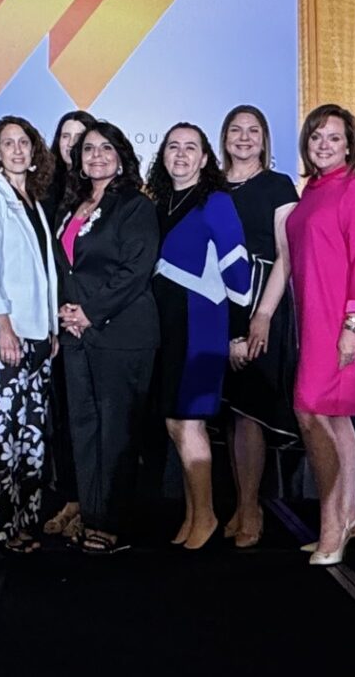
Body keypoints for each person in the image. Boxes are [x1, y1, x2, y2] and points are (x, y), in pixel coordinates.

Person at [56, 120, 159, 554]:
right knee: (84, 428)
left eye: (105, 148)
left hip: (121, 332)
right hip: (77, 334)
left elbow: (135, 269)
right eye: (87, 150)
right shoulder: (74, 204)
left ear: (121, 156)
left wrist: (90, 312)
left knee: (116, 431)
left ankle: (111, 522)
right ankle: (92, 513)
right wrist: (66, 312)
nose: (96, 156)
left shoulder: (135, 205)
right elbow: (68, 267)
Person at [148, 123, 250, 551]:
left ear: (206, 158)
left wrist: (239, 333)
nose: (182, 155)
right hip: (168, 327)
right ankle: (194, 513)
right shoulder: (158, 204)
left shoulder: (217, 202)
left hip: (201, 325)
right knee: (175, 422)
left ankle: (206, 514)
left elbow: (240, 280)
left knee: (190, 422)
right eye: (173, 146)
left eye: (191, 148)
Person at [284, 105, 355, 566]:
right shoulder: (310, 192)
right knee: (334, 421)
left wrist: (352, 328)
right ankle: (351, 515)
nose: (324, 144)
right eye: (317, 136)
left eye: (334, 138)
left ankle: (332, 524)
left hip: (340, 323)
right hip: (309, 319)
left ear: (349, 146)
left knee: (313, 415)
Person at [0, 117, 60, 551]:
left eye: (25, 142)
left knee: (32, 433)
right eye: (8, 143)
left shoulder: (33, 201)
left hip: (36, 334)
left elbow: (43, 274)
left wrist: (51, 329)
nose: (18, 150)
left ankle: (23, 519)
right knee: (1, 432)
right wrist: (4, 326)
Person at [219, 105, 300, 549]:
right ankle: (240, 503)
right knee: (231, 409)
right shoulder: (213, 185)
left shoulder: (278, 185)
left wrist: (263, 314)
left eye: (253, 131)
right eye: (236, 130)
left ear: (265, 140)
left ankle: (252, 508)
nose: (244, 138)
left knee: (251, 407)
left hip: (260, 301)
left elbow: (287, 254)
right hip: (219, 303)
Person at [39, 110, 97, 540]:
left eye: (82, 137)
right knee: (59, 417)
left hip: (95, 322)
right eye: (66, 136)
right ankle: (70, 499)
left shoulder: (102, 192)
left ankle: (90, 505)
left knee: (92, 417)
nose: (73, 144)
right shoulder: (44, 191)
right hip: (53, 324)